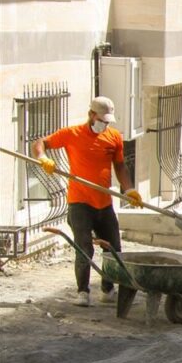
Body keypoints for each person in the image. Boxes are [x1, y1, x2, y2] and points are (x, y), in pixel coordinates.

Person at [33, 96, 143, 307]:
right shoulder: (72, 134)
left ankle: (107, 289)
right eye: (102, 119)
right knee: (84, 248)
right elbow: (40, 143)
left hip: (104, 202)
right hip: (80, 202)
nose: (106, 124)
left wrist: (129, 189)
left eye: (108, 121)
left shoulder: (113, 137)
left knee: (113, 248)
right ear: (91, 115)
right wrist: (43, 158)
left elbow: (120, 166)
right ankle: (82, 292)